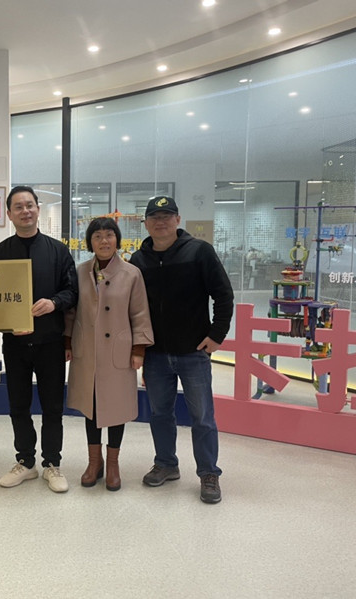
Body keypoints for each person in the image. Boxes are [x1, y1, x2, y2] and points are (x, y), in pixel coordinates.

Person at [129, 195, 234, 504]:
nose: (161, 222)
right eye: (154, 217)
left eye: (167, 216)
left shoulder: (199, 251)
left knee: (202, 416)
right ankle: (166, 463)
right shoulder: (138, 261)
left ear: (178, 219)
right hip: (156, 354)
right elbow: (132, 307)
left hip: (193, 352)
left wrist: (216, 335)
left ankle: (209, 473)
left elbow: (223, 294)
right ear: (146, 223)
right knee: (160, 413)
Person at [0, 185, 78, 493]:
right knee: (18, 405)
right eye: (18, 206)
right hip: (14, 343)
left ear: (38, 210)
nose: (25, 211)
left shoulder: (58, 251)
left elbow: (72, 291)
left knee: (53, 406)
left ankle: (52, 463)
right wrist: (6, 323)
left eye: (30, 205)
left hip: (50, 342)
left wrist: (54, 303)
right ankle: (25, 462)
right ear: (9, 214)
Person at [64, 217, 153, 492]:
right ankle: (95, 462)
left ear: (117, 240)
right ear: (89, 242)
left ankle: (113, 463)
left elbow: (140, 313)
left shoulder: (131, 273)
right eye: (97, 236)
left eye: (109, 235)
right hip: (87, 351)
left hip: (118, 352)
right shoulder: (80, 271)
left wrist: (138, 350)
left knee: (115, 407)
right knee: (91, 407)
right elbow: (71, 311)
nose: (104, 241)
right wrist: (67, 342)